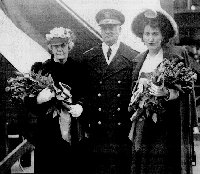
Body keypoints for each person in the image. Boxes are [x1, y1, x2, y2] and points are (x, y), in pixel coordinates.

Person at [129, 8, 199, 174]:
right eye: (147, 34)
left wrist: (166, 93)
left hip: (168, 125)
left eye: (155, 33)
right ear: (142, 36)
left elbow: (187, 89)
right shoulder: (139, 60)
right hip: (144, 124)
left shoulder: (176, 55)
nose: (151, 38)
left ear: (163, 35)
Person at [77, 8, 139, 174]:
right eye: (105, 27)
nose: (108, 31)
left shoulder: (133, 57)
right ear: (100, 29)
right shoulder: (88, 58)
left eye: (113, 27)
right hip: (96, 130)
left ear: (120, 29)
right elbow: (83, 92)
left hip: (121, 131)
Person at [24, 27, 83, 174]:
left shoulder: (78, 68)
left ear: (69, 45)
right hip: (47, 134)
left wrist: (81, 106)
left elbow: (86, 93)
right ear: (50, 47)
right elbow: (27, 103)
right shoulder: (41, 69)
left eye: (63, 45)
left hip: (72, 132)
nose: (59, 50)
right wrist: (38, 99)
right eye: (55, 46)